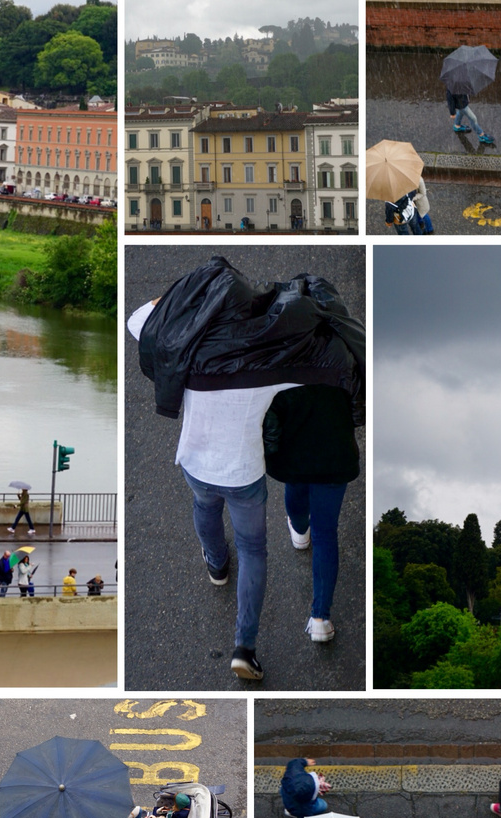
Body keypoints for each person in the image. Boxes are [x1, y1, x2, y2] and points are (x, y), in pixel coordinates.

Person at [131, 257, 364, 683]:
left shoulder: (187, 343)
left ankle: (217, 564)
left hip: (195, 463)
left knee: (204, 507)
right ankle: (244, 647)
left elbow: (139, 320)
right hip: (244, 473)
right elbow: (317, 357)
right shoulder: (268, 359)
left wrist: (180, 295)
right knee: (254, 550)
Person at [263, 382, 361, 643]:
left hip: (294, 455)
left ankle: (299, 530)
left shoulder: (281, 357)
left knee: (295, 489)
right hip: (335, 455)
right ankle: (320, 619)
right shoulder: (343, 350)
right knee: (326, 533)